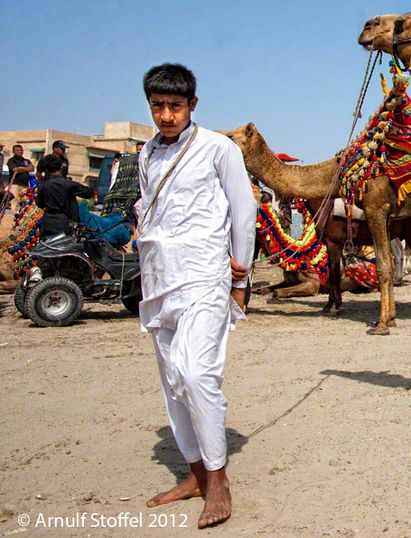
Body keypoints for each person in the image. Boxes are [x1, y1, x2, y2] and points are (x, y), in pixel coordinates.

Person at [137, 63, 255, 529]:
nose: (167, 115)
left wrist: (241, 280)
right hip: (159, 279)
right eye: (158, 106)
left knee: (196, 372)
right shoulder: (145, 153)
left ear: (193, 105)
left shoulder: (218, 149)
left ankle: (219, 481)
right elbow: (149, 205)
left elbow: (243, 210)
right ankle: (194, 473)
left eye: (175, 106)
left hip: (206, 276)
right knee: (172, 380)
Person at [34, 154, 92, 238]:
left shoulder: (43, 185)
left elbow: (39, 204)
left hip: (48, 223)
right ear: (61, 167)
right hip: (64, 223)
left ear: (46, 169)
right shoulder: (69, 184)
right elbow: (88, 192)